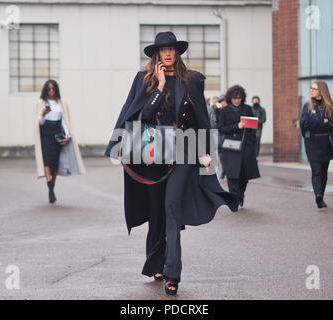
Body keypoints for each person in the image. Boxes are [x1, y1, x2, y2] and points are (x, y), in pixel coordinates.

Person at [104, 31, 238, 296]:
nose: (167, 53)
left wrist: (204, 152)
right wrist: (160, 87)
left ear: (177, 52)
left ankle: (172, 273)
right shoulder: (144, 80)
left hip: (184, 150)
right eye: (162, 49)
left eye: (171, 49)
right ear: (157, 54)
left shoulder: (192, 80)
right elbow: (139, 116)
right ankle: (155, 262)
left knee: (172, 210)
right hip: (154, 153)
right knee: (156, 213)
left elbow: (200, 118)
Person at [34, 79, 86, 203]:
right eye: (49, 89)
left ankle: (52, 184)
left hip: (57, 133)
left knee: (55, 163)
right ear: (45, 90)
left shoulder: (62, 103)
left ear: (56, 89)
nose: (51, 91)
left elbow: (65, 121)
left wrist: (67, 135)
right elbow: (39, 123)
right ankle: (50, 188)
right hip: (45, 133)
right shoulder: (40, 103)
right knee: (47, 161)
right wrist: (42, 114)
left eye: (53, 88)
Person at [218, 85, 260, 207]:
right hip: (231, 146)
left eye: (239, 98)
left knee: (244, 175)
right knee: (232, 175)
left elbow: (253, 128)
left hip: (246, 146)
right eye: (235, 98)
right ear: (230, 98)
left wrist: (252, 143)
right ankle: (234, 199)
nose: (237, 100)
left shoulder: (247, 109)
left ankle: (240, 195)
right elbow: (221, 128)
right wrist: (237, 126)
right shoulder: (225, 111)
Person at [300, 80, 333, 208]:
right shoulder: (307, 106)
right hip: (312, 143)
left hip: (326, 143)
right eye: (311, 88)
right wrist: (323, 122)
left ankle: (321, 194)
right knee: (316, 170)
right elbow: (304, 124)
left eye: (314, 89)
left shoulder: (329, 106)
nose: (311, 90)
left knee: (324, 172)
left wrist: (316, 124)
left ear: (321, 91)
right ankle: (318, 195)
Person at [217, 94, 227, 179]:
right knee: (221, 153)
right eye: (221, 102)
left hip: (228, 134)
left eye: (223, 101)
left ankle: (227, 170)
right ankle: (224, 170)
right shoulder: (218, 110)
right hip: (220, 134)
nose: (222, 103)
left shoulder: (230, 110)